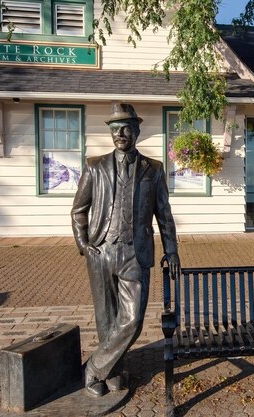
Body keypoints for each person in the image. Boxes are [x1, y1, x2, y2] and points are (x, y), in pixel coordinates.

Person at [71, 103, 181, 397]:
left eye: (126, 128)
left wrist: (172, 250)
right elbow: (78, 211)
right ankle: (113, 372)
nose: (120, 133)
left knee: (132, 320)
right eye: (114, 129)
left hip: (137, 252)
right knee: (106, 319)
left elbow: (164, 215)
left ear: (137, 131)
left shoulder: (153, 169)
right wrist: (83, 245)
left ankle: (94, 368)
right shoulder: (94, 167)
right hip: (102, 250)